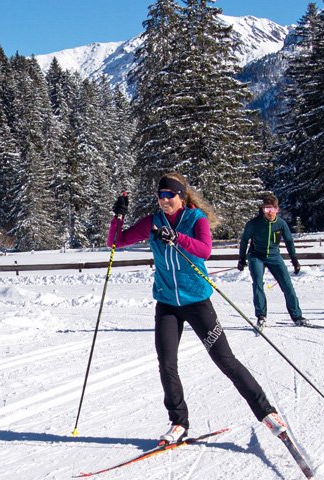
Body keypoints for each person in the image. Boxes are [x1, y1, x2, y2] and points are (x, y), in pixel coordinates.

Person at [108, 172, 287, 445]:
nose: (164, 200)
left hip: (197, 302)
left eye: (170, 195)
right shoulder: (153, 222)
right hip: (167, 303)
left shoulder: (196, 219)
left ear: (181, 196)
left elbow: (204, 250)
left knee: (225, 360)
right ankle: (178, 422)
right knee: (166, 364)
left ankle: (267, 412)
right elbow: (115, 242)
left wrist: (177, 237)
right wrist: (118, 217)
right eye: (160, 195)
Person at [237, 193, 307, 329]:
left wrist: (295, 261)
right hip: (256, 256)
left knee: (287, 285)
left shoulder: (281, 224)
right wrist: (241, 259)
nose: (270, 213)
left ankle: (297, 315)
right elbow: (245, 240)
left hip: (274, 256)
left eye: (272, 209)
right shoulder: (254, 224)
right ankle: (261, 315)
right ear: (263, 210)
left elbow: (289, 242)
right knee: (258, 283)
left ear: (277, 209)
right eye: (267, 209)